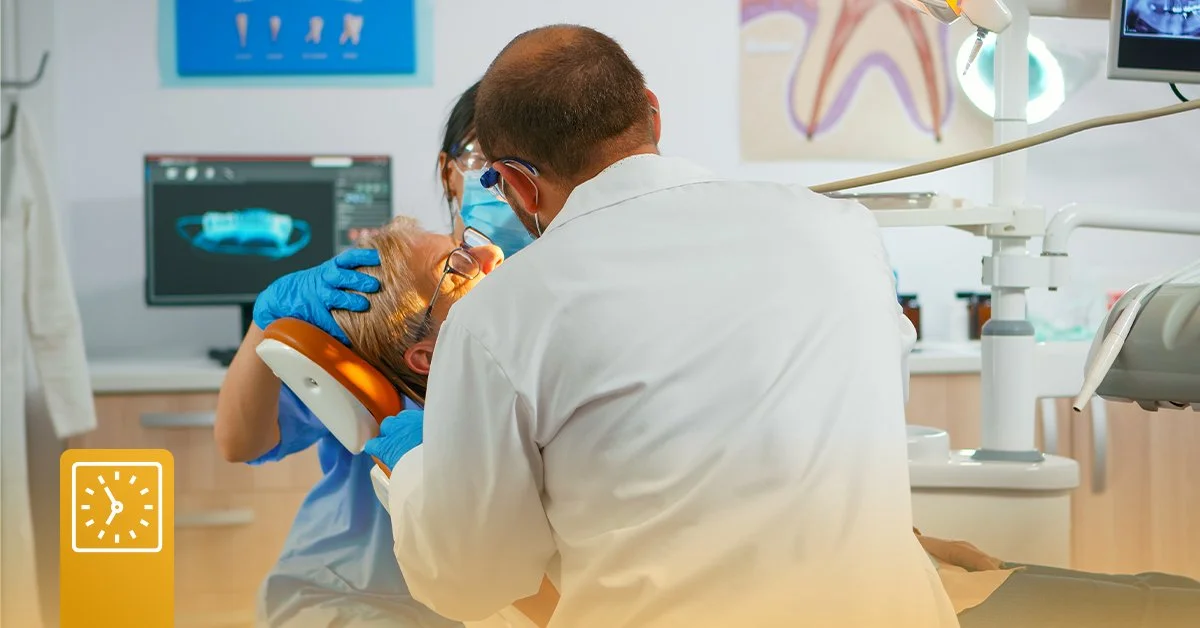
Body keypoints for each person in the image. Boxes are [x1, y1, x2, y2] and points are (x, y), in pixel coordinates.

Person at [363, 24, 956, 628]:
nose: (479, 259)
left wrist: (416, 470)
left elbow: (468, 582)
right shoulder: (845, 229)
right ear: (653, 115)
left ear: (514, 181)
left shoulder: (498, 317)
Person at [324, 220, 1200, 628]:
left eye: (472, 240)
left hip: (897, 582)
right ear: (429, 357)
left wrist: (916, 541)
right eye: (455, 272)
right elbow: (548, 602)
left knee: (1160, 593)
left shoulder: (560, 363)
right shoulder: (460, 460)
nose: (488, 257)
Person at [212, 82, 498, 628]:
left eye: (520, 163)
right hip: (357, 588)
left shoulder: (559, 302)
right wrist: (267, 320)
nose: (498, 180)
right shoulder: (374, 294)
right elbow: (239, 440)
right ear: (448, 172)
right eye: (481, 157)